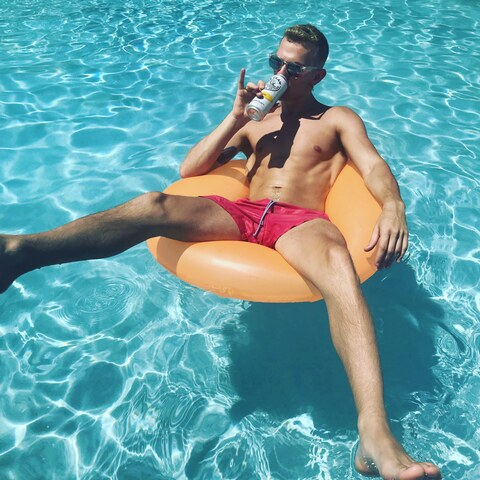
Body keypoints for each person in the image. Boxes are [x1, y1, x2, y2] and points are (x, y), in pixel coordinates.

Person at [0, 24, 441, 479]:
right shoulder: (256, 121)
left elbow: (372, 164)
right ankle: (20, 252)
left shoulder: (335, 118)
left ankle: (374, 434)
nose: (281, 73)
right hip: (243, 211)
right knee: (151, 204)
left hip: (300, 220)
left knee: (338, 267)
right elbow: (190, 169)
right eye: (276, 63)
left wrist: (393, 205)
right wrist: (236, 118)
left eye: (294, 68)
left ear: (317, 76)